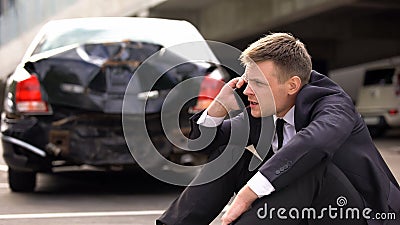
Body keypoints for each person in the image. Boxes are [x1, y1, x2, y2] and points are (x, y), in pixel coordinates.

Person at [156, 33, 400, 225]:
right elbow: (206, 143)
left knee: (310, 165)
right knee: (232, 153)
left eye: (258, 83)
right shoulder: (262, 109)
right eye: (247, 80)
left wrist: (248, 193)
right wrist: (218, 109)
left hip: (365, 214)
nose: (248, 90)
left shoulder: (333, 103)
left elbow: (314, 144)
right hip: (304, 212)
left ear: (292, 85)